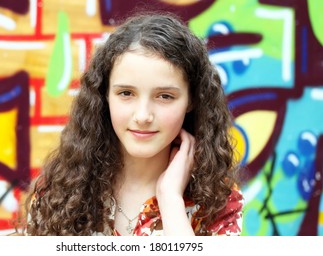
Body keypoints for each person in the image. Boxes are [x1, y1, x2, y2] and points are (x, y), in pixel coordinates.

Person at [19, 12, 244, 236]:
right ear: (105, 95)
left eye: (165, 96)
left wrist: (170, 200)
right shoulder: (58, 193)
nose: (143, 116)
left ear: (192, 100)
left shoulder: (219, 203)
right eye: (126, 93)